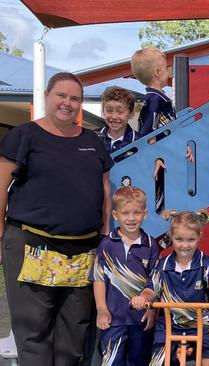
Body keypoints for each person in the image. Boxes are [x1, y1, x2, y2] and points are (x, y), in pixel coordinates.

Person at [0, 72, 113, 365]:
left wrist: (104, 232)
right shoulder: (23, 135)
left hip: (82, 250)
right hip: (31, 245)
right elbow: (0, 188)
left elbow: (104, 189)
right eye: (61, 95)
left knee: (73, 334)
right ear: (48, 96)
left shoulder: (93, 141)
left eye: (75, 98)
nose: (68, 103)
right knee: (34, 332)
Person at [131, 210, 209, 366]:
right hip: (170, 323)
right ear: (171, 237)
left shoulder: (205, 263)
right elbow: (151, 290)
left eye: (191, 239)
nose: (185, 245)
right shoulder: (163, 265)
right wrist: (142, 298)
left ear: (199, 237)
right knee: (157, 362)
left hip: (202, 322)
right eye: (179, 239)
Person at [90, 186, 159, 366]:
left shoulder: (151, 245)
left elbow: (156, 280)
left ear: (145, 214)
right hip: (114, 320)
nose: (131, 218)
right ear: (115, 215)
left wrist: (151, 308)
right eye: (125, 213)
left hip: (141, 319)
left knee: (139, 362)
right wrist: (102, 310)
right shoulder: (106, 244)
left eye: (136, 213)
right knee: (112, 362)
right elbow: (98, 279)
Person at [131, 47, 176, 136]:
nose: (168, 71)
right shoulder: (154, 99)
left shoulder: (158, 97)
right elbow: (149, 131)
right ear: (157, 72)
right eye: (166, 68)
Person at [95, 86, 140, 153]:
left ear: (131, 113)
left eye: (120, 111)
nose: (114, 117)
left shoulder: (139, 142)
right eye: (109, 110)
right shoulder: (92, 138)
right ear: (103, 111)